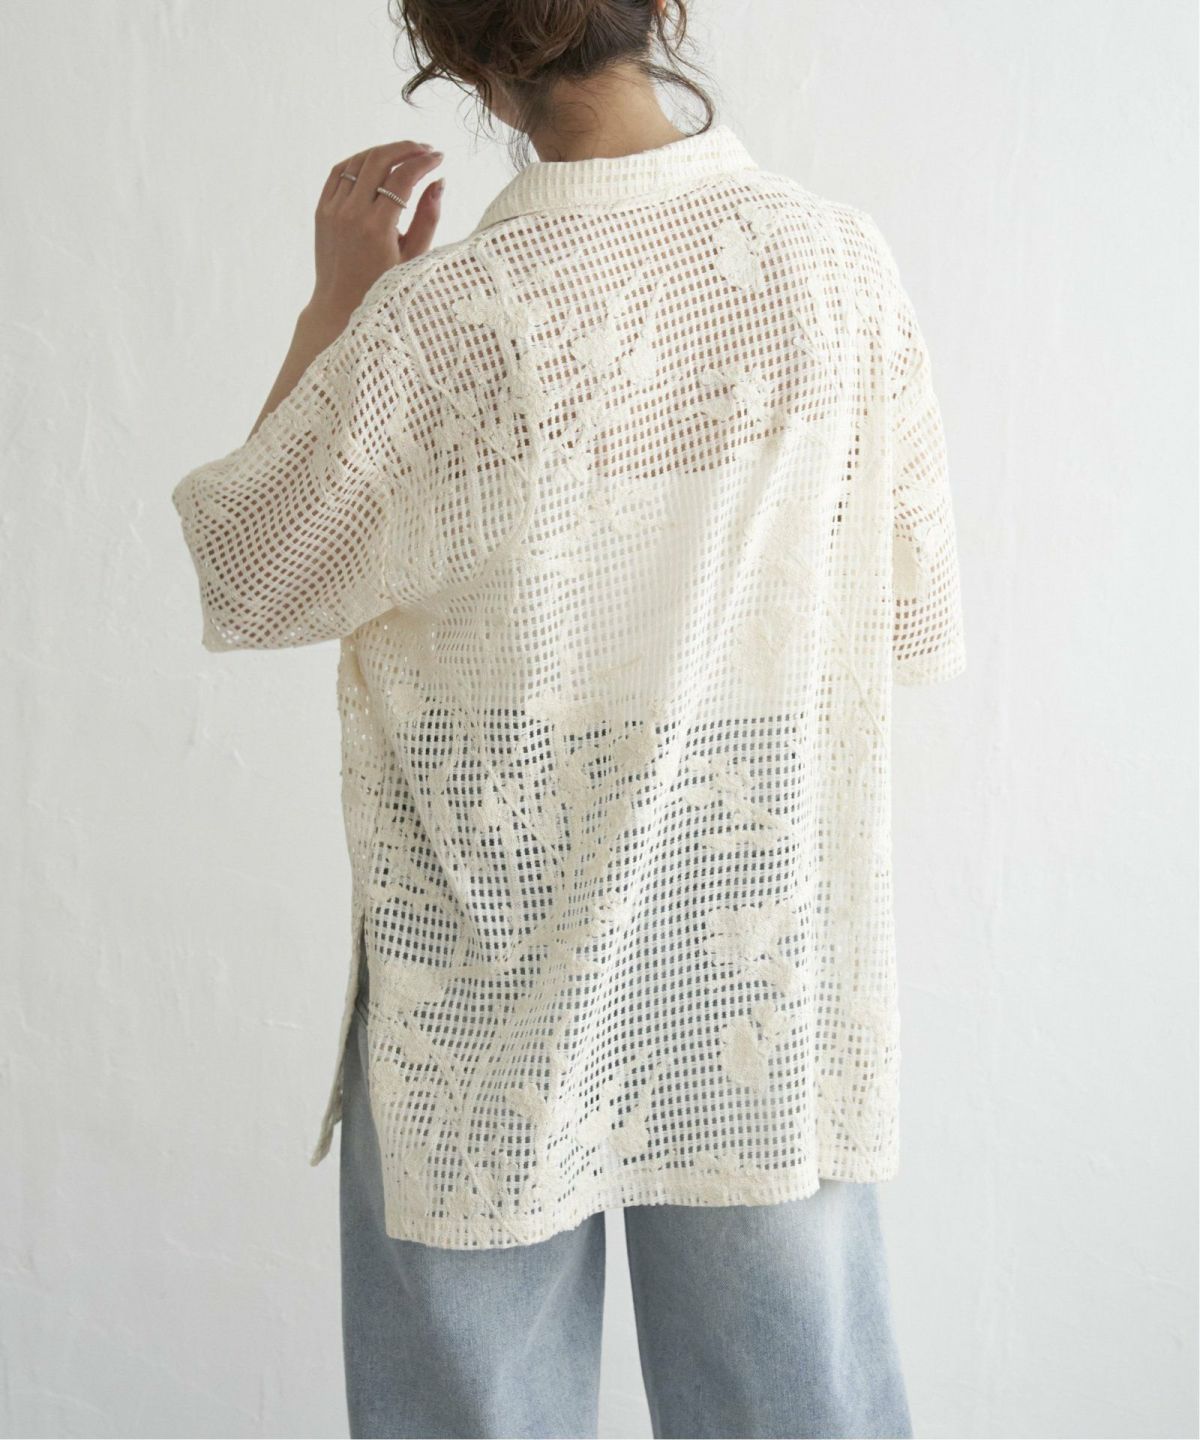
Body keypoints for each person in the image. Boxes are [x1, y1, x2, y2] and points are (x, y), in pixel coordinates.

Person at [170, 2, 966, 1435]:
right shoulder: (836, 269)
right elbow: (909, 622)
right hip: (749, 946)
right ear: (661, 12)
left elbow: (251, 568)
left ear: (468, 63)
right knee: (797, 1401)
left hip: (484, 936)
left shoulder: (444, 319)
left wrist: (336, 304)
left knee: (476, 1410)